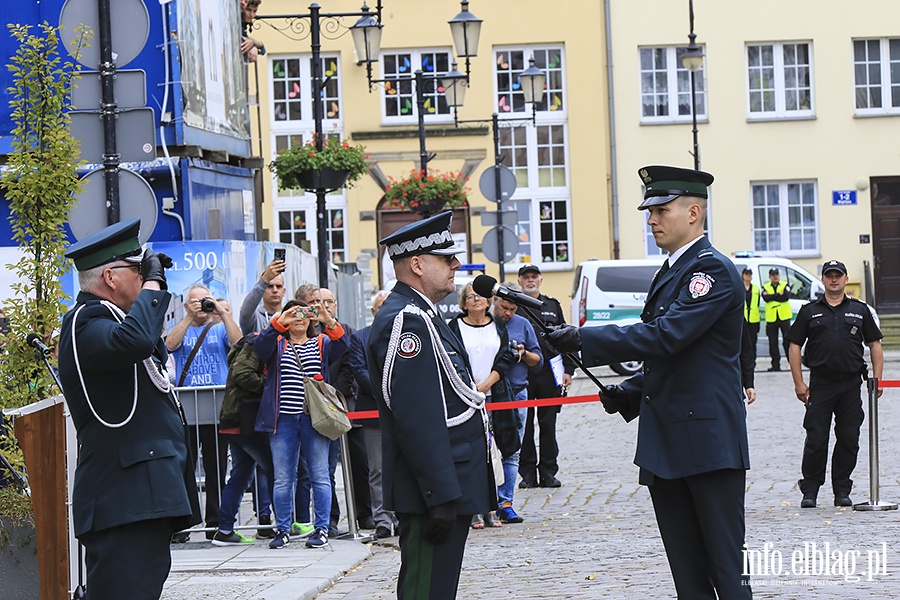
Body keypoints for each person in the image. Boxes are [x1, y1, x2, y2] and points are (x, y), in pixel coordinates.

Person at [545, 165, 751, 599]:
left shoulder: (710, 272)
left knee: (727, 572)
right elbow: (676, 356)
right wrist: (631, 392)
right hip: (669, 444)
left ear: (694, 212)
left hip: (707, 443)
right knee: (688, 573)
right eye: (650, 210)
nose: (651, 218)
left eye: (662, 209)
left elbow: (667, 335)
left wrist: (583, 337)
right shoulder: (672, 270)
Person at [57, 219, 200, 600]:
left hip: (139, 496)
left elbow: (146, 343)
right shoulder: (86, 322)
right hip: (123, 498)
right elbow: (134, 341)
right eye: (138, 270)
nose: (145, 277)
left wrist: (154, 283)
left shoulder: (114, 320)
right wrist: (153, 286)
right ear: (111, 276)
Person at [366, 211, 495, 600]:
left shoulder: (422, 314)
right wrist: (439, 496)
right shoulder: (408, 321)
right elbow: (417, 417)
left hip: (442, 485)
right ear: (418, 264)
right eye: (446, 258)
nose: (456, 265)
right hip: (431, 491)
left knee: (437, 588)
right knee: (426, 590)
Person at [786, 260, 883, 509]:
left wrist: (877, 379)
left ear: (845, 278)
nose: (833, 279)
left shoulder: (860, 311)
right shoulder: (810, 311)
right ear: (823, 279)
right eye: (829, 275)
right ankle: (810, 491)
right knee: (817, 438)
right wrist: (799, 382)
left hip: (850, 384)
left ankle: (842, 489)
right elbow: (794, 345)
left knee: (849, 438)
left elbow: (875, 344)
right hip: (821, 384)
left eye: (838, 275)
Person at [254, 299, 347, 549]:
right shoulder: (277, 343)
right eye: (293, 314)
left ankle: (322, 528)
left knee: (319, 475)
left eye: (305, 314)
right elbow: (258, 347)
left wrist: (328, 320)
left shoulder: (321, 343)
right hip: (282, 419)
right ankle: (282, 529)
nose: (299, 318)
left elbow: (343, 346)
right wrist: (277, 323)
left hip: (314, 419)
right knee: (283, 477)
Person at [167, 284, 242, 539]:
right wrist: (189, 316)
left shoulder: (219, 327)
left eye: (205, 300)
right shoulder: (183, 326)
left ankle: (214, 523)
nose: (201, 305)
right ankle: (183, 524)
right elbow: (169, 344)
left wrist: (221, 311)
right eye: (195, 301)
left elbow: (237, 341)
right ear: (186, 304)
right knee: (183, 468)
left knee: (216, 468)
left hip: (216, 409)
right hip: (187, 410)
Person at [447, 283, 516, 530]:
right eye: (470, 296)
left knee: (496, 453)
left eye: (480, 296)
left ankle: (494, 507)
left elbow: (506, 356)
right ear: (463, 302)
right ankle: (474, 509)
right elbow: (450, 359)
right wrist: (471, 386)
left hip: (495, 393)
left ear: (489, 302)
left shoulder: (497, 325)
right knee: (473, 454)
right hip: (466, 395)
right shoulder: (454, 327)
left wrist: (487, 384)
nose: (476, 300)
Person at [211, 331, 276, 545]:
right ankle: (286, 524)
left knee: (241, 475)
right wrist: (269, 387)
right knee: (274, 470)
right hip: (244, 420)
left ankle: (225, 528)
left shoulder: (251, 343)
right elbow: (243, 374)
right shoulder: (255, 344)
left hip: (238, 420)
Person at [322, 287, 375, 532]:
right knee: (325, 468)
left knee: (360, 465)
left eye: (328, 302)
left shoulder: (347, 332)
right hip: (320, 412)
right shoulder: (306, 333)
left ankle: (365, 514)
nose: (323, 306)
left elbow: (350, 369)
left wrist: (330, 396)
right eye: (316, 302)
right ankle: (330, 518)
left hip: (348, 408)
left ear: (335, 305)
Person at [516, 263, 573, 489]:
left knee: (548, 424)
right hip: (524, 373)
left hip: (550, 372)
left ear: (540, 280)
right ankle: (528, 473)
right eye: (526, 277)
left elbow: (566, 337)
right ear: (520, 282)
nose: (530, 280)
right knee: (525, 425)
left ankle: (549, 472)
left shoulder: (551, 305)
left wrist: (568, 369)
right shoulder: (516, 306)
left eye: (534, 276)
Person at [491, 283, 543, 523]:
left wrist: (523, 354)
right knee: (487, 451)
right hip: (490, 394)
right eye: (504, 307)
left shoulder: (523, 324)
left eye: (512, 309)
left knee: (512, 451)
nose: (508, 313)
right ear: (494, 301)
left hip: (518, 393)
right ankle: (487, 503)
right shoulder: (484, 322)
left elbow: (538, 360)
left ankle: (506, 503)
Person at [348, 290, 397, 539]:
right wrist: (387, 392)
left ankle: (401, 515)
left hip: (402, 412)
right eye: (380, 307)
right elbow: (359, 370)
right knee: (377, 469)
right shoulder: (360, 338)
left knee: (401, 467)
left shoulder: (402, 335)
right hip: (374, 411)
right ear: (373, 312)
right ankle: (382, 519)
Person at [239, 257, 286, 335]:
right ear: (262, 290)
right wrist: (264, 280)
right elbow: (245, 313)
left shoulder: (290, 316)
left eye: (278, 286)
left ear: (284, 291)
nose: (275, 290)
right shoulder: (255, 318)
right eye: (270, 286)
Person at [761, 267, 792, 371]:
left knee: (787, 342)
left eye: (776, 274)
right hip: (771, 319)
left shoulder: (785, 285)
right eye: (773, 275)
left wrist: (772, 296)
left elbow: (786, 297)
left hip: (784, 318)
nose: (775, 276)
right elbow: (765, 298)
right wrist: (779, 295)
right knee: (772, 343)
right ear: (770, 276)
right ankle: (775, 365)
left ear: (779, 275)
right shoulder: (765, 286)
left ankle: (792, 363)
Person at [741, 267, 760, 369]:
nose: (748, 276)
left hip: (753, 319)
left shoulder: (756, 288)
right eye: (747, 274)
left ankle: (752, 363)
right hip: (742, 319)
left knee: (753, 343)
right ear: (743, 275)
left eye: (750, 274)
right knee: (743, 343)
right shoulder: (739, 287)